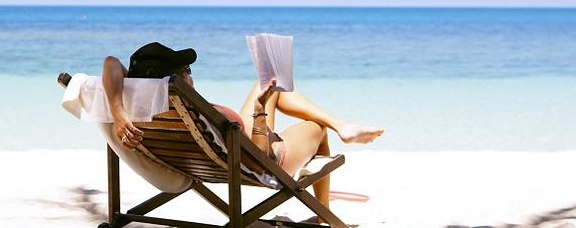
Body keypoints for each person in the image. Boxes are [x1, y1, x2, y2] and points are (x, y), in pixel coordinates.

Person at [98, 50, 384, 212]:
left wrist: (118, 113)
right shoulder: (197, 109)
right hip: (259, 161)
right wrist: (259, 113)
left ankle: (342, 126)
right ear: (178, 79)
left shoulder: (134, 104)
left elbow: (111, 62)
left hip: (212, 154)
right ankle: (323, 208)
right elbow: (261, 158)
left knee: (269, 88)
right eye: (186, 68)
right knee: (318, 129)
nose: (189, 73)